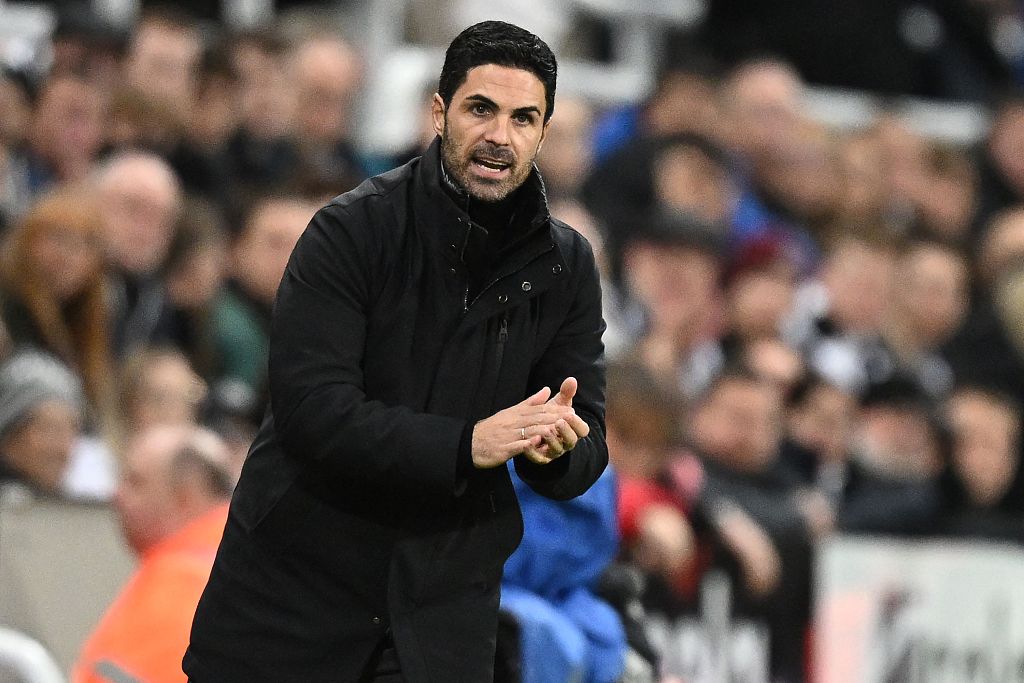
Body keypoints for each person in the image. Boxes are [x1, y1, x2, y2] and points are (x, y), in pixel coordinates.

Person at [185, 20, 608, 682]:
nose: (501, 135)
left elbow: (587, 442)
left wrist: (559, 450)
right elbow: (313, 412)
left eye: (524, 118)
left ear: (543, 134)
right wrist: (466, 443)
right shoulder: (348, 231)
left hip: (438, 623)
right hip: (294, 607)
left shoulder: (569, 264)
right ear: (440, 113)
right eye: (481, 109)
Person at [74, 425, 234, 683]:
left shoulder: (181, 579)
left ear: (186, 495)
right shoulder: (238, 559)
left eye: (136, 481)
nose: (117, 494)